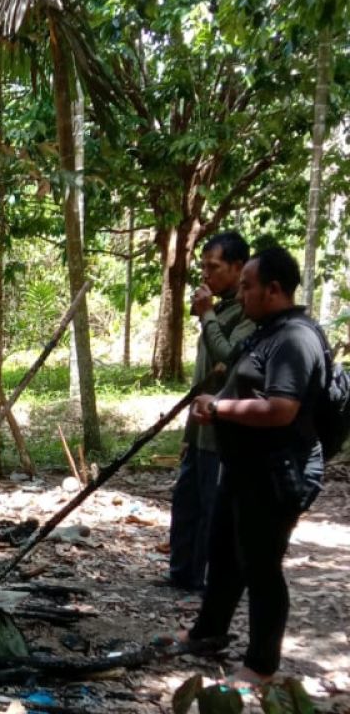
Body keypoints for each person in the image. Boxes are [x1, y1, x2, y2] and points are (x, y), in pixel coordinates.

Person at [185, 247, 325, 684]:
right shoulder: (267, 330)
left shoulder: (295, 339)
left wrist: (222, 409)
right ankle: (208, 634)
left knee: (261, 566)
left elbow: (282, 409)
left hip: (276, 472)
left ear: (275, 289)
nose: (241, 294)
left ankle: (260, 666)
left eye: (248, 286)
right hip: (243, 467)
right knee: (224, 553)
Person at [166, 232, 255, 591]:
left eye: (213, 267)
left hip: (225, 427)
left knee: (212, 509)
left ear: (237, 267)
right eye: (203, 266)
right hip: (200, 427)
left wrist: (207, 315)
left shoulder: (247, 313)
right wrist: (187, 435)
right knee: (186, 502)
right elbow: (203, 378)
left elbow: (228, 355)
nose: (205, 275)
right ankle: (182, 574)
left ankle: (205, 582)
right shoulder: (217, 311)